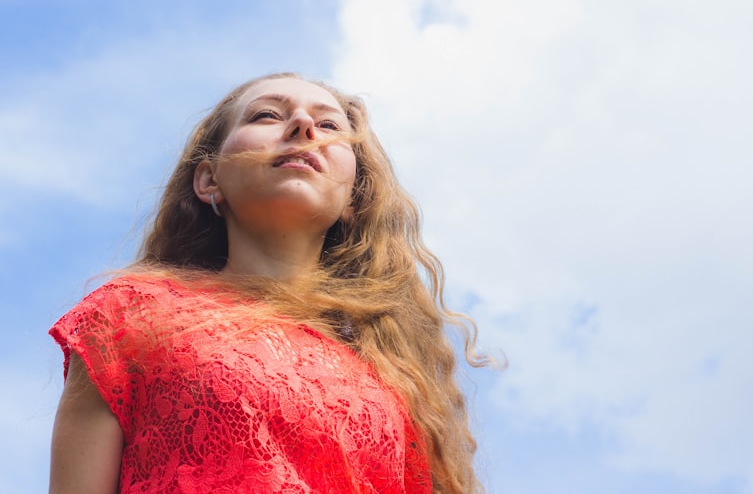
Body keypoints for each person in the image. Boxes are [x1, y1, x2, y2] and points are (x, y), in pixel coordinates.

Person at [49, 73, 487, 494]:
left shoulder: (391, 381)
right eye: (266, 116)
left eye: (329, 125)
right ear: (209, 180)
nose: (303, 126)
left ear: (353, 199)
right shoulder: (129, 316)